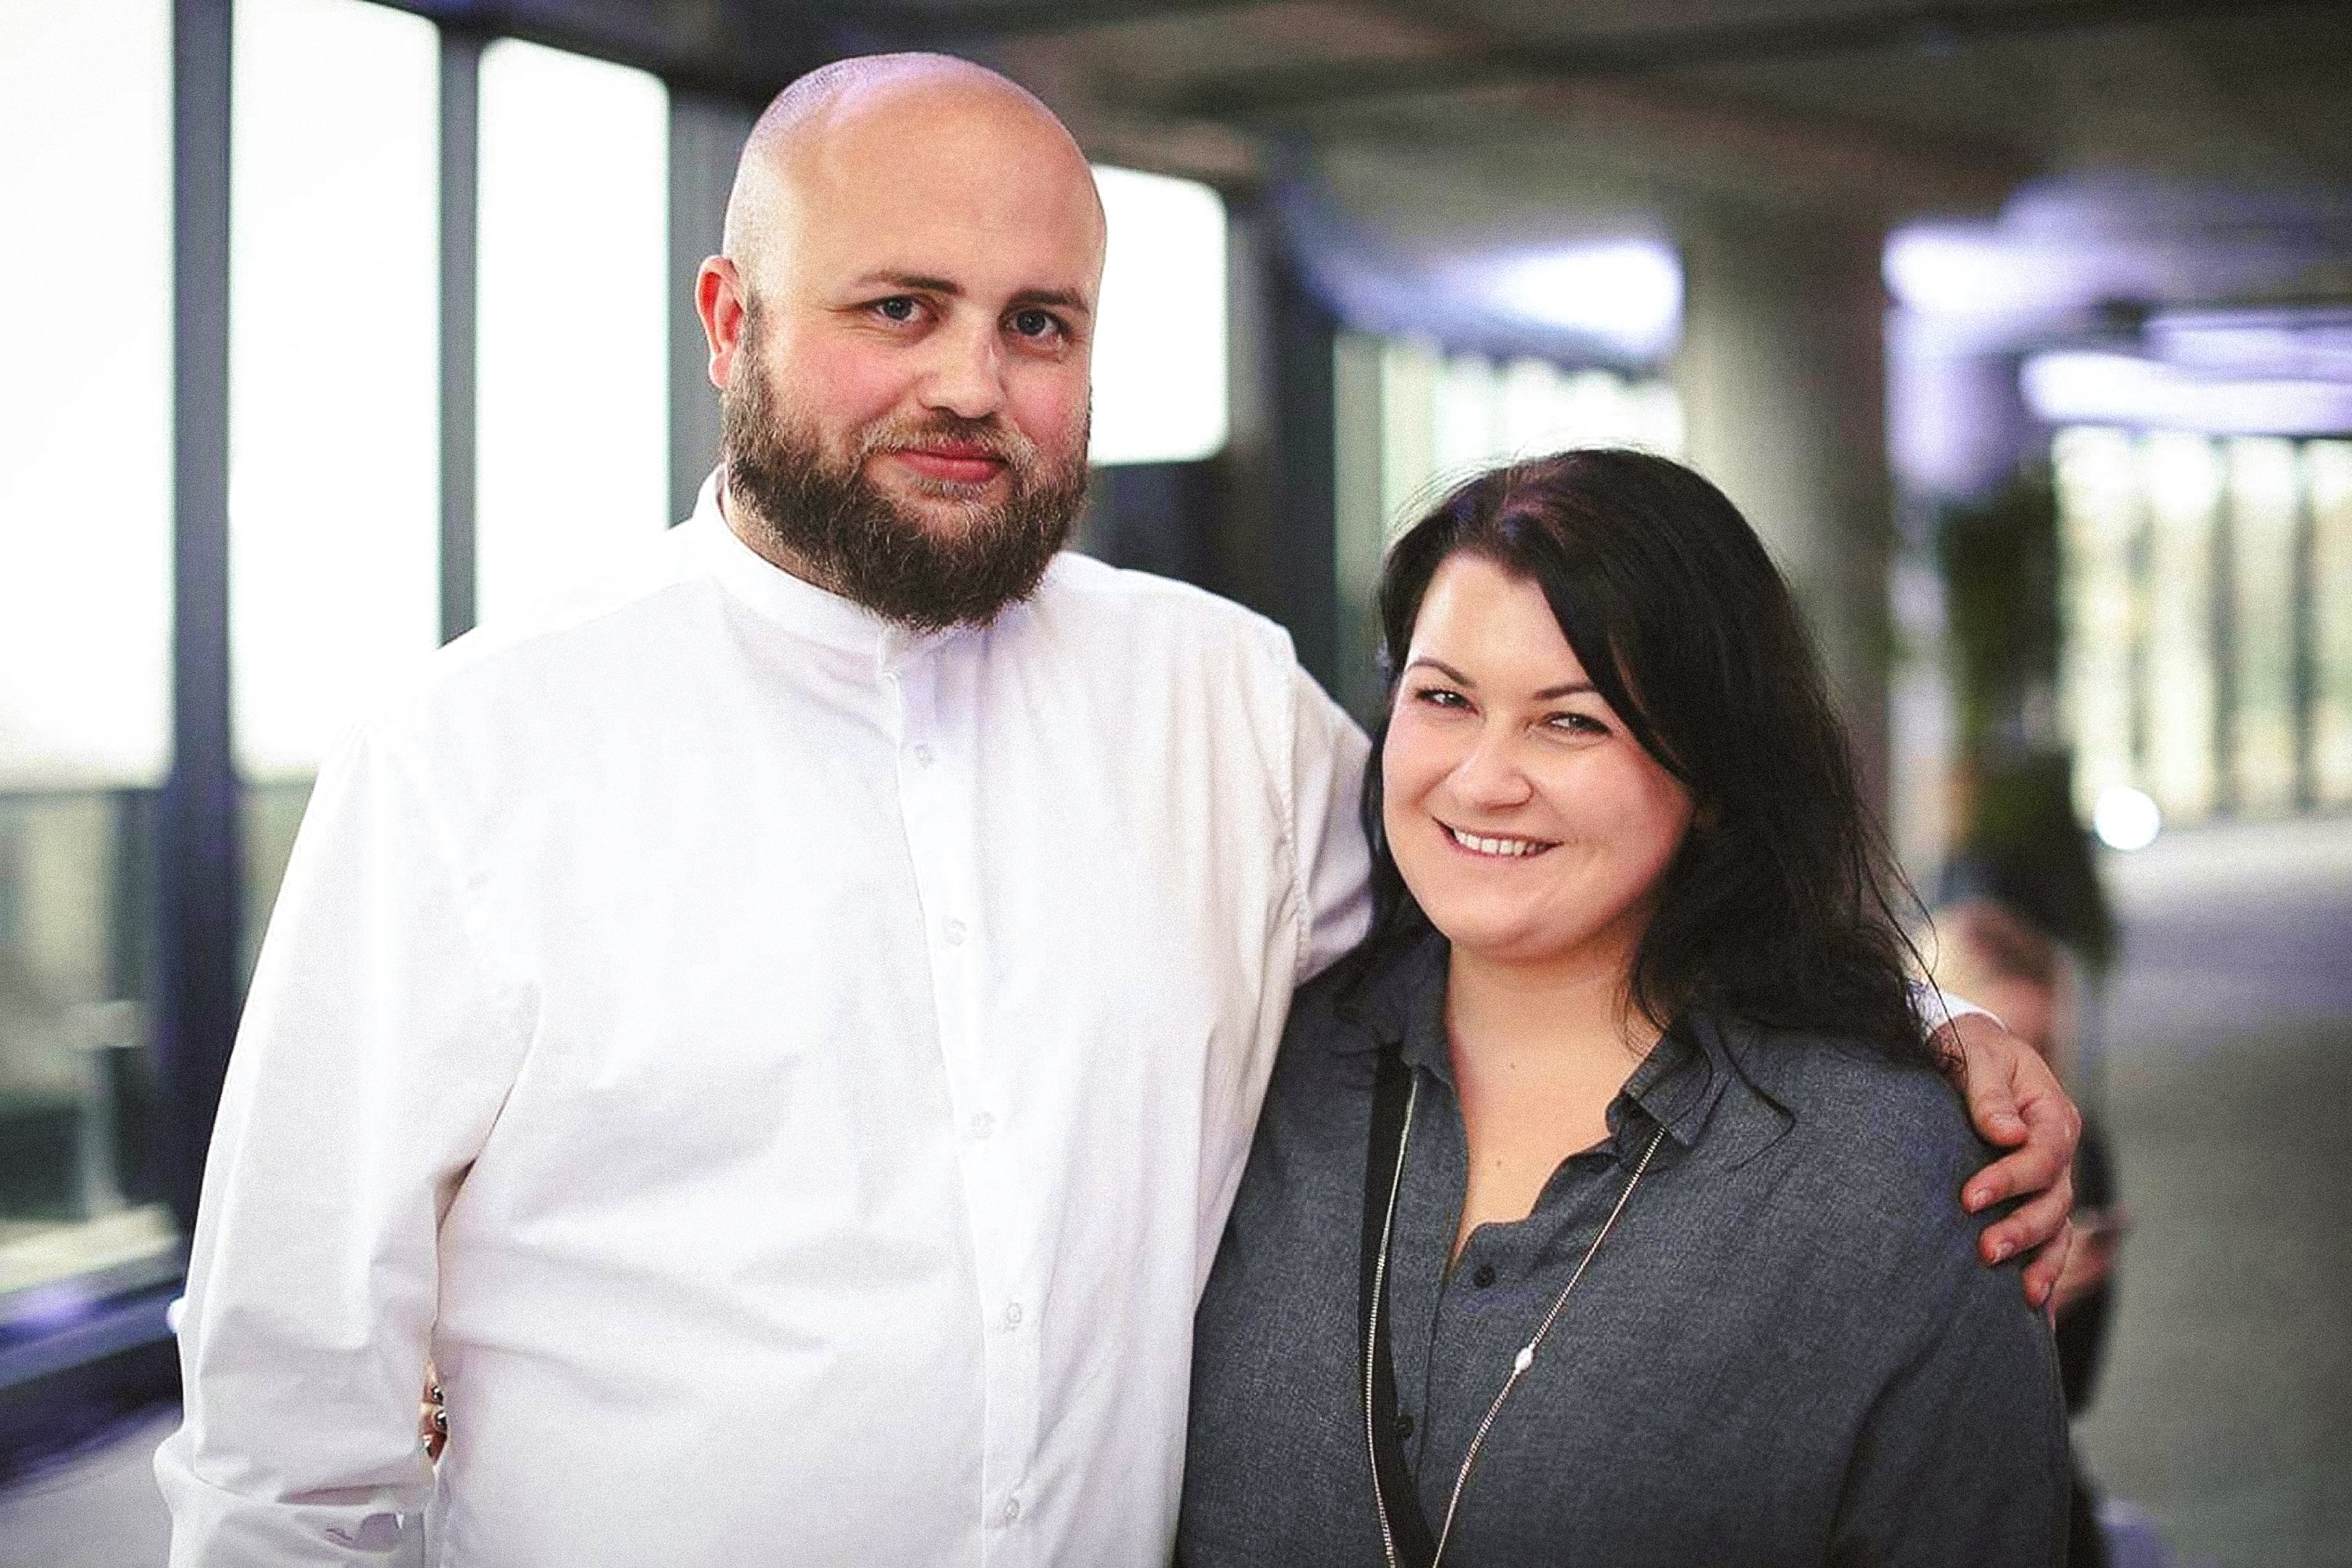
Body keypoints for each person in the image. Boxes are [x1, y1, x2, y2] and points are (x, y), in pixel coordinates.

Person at [155, 53, 2077, 1565]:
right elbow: (289, 1415)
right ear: (729, 314)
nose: (970, 384)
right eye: (896, 308)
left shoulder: (1213, 696)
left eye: (1037, 324)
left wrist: (1925, 1034)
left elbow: (1531, 874)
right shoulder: (475, 753)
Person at [1179, 452, 2070, 1566]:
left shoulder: (1886, 1175)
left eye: (1570, 723)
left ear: (1711, 769)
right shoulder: (1265, 1060)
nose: (1483, 779)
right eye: (1445, 699)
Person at [1933, 894, 2127, 1568]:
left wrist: (2055, 1305)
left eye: (2042, 1048)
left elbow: (2074, 1392)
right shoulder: (1889, 1160)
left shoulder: (2076, 1144)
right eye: (1999, 1050)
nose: (2022, 1083)